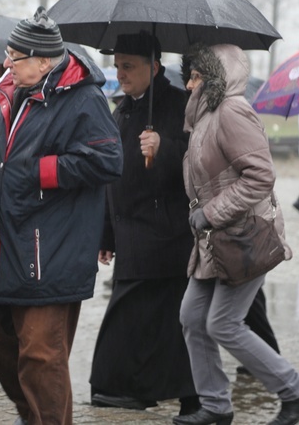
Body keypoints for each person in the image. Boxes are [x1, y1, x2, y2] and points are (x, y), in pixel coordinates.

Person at [0, 7, 123, 425]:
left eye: (15, 56)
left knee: (41, 353)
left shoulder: (83, 98)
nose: (6, 63)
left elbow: (108, 160)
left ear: (44, 61)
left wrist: (41, 171)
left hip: (50, 247)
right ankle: (33, 412)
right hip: (4, 240)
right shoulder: (9, 89)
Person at [178, 43, 299, 425]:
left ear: (217, 78)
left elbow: (261, 176)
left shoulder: (232, 110)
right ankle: (216, 407)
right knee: (192, 316)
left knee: (222, 322)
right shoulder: (201, 118)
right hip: (214, 239)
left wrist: (210, 212)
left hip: (245, 236)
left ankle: (294, 389)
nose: (189, 84)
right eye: (188, 75)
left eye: (197, 75)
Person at [88, 33, 198, 415]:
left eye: (128, 66)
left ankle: (123, 386)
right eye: (117, 66)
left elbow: (203, 161)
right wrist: (106, 234)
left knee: (164, 324)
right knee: (150, 324)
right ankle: (132, 389)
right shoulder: (120, 111)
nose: (120, 73)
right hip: (131, 234)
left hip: (166, 236)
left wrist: (164, 147)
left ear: (153, 67)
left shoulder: (181, 105)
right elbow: (109, 178)